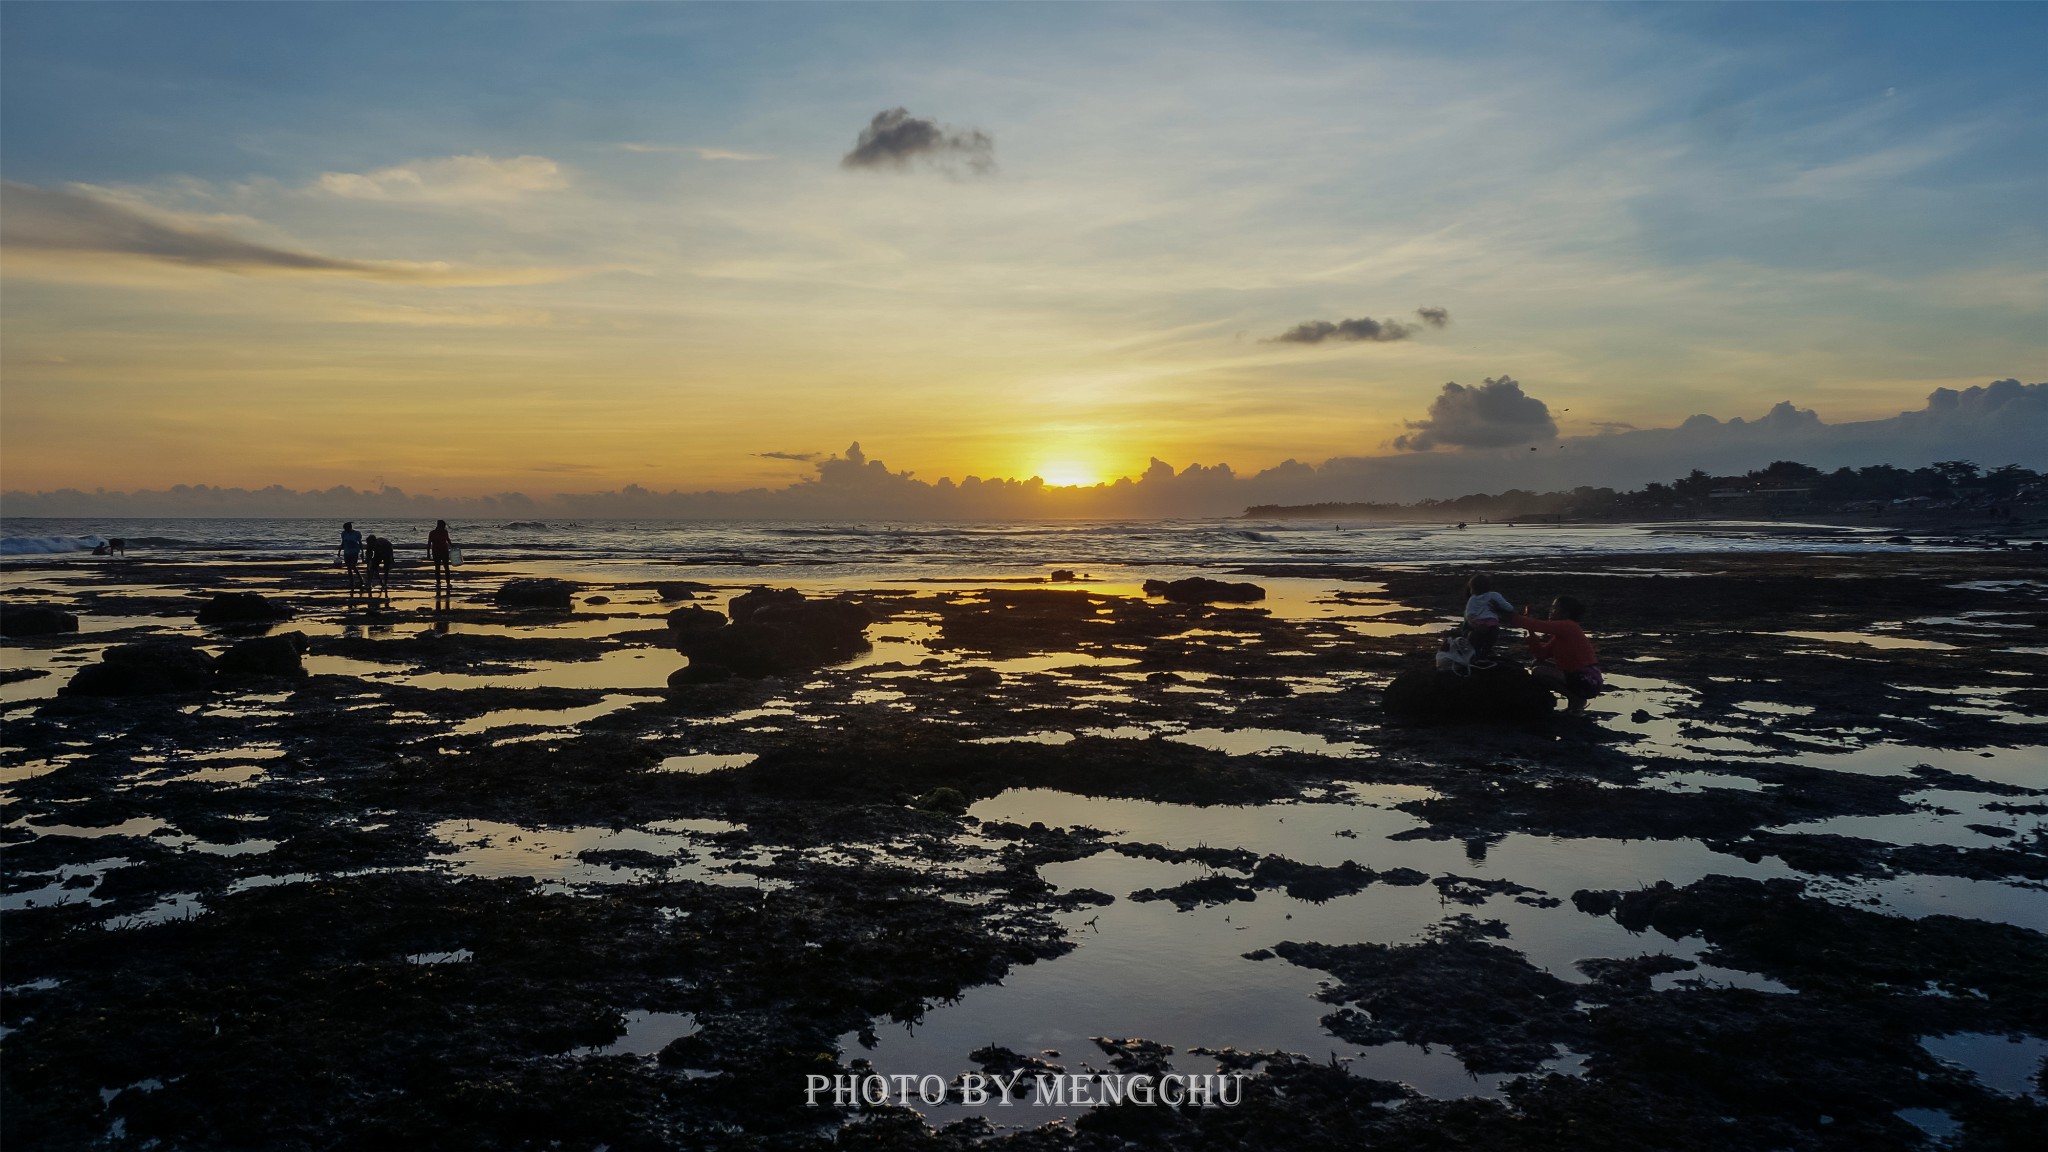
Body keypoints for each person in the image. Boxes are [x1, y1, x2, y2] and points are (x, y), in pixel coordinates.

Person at [1515, 595, 1602, 713]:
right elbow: (1541, 654)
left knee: (1539, 671)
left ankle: (1575, 699)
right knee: (1537, 663)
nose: (1551, 612)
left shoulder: (1569, 626)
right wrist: (1531, 634)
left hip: (1587, 681)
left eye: (1555, 609)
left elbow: (1540, 625)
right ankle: (1573, 699)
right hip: (1578, 677)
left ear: (1565, 613)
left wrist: (1512, 616)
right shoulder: (1560, 635)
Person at [1462, 573, 1517, 663]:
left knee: (1486, 636)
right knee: (1485, 635)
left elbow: (1469, 615)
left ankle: (1480, 654)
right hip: (1480, 628)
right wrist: (1476, 626)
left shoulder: (1472, 601)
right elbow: (1509, 608)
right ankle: (1480, 654)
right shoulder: (1493, 595)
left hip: (1479, 625)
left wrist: (1498, 609)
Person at [364, 534, 395, 599]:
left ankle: (385, 583)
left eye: (372, 544)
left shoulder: (384, 543)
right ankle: (369, 583)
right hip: (378, 554)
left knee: (386, 568)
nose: (370, 545)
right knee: (372, 568)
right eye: (369, 544)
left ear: (374, 542)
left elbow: (390, 551)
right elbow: (368, 554)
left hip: (387, 552)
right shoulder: (369, 544)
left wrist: (392, 559)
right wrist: (368, 562)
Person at [428, 520, 454, 593]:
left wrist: (452, 546)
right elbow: (429, 543)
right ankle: (442, 583)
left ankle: (443, 583)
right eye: (443, 525)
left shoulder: (434, 532)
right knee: (443, 568)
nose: (444, 527)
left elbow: (448, 540)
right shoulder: (437, 532)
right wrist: (428, 553)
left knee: (441, 568)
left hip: (439, 551)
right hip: (440, 551)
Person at [339, 522, 364, 591]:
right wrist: (339, 551)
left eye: (346, 528)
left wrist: (362, 552)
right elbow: (343, 542)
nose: (345, 529)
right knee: (349, 568)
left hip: (355, 552)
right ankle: (352, 582)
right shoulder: (344, 534)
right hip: (346, 552)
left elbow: (360, 543)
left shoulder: (357, 533)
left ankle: (361, 579)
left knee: (352, 566)